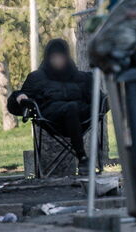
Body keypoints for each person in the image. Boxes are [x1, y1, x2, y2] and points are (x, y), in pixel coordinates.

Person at [8, 38, 106, 174]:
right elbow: (15, 103)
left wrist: (106, 102)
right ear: (48, 58)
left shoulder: (82, 78)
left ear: (67, 57)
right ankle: (82, 158)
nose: (58, 61)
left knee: (77, 106)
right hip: (52, 119)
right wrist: (19, 97)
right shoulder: (37, 78)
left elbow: (100, 99)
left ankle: (86, 160)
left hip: (81, 119)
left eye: (61, 57)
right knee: (70, 107)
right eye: (54, 57)